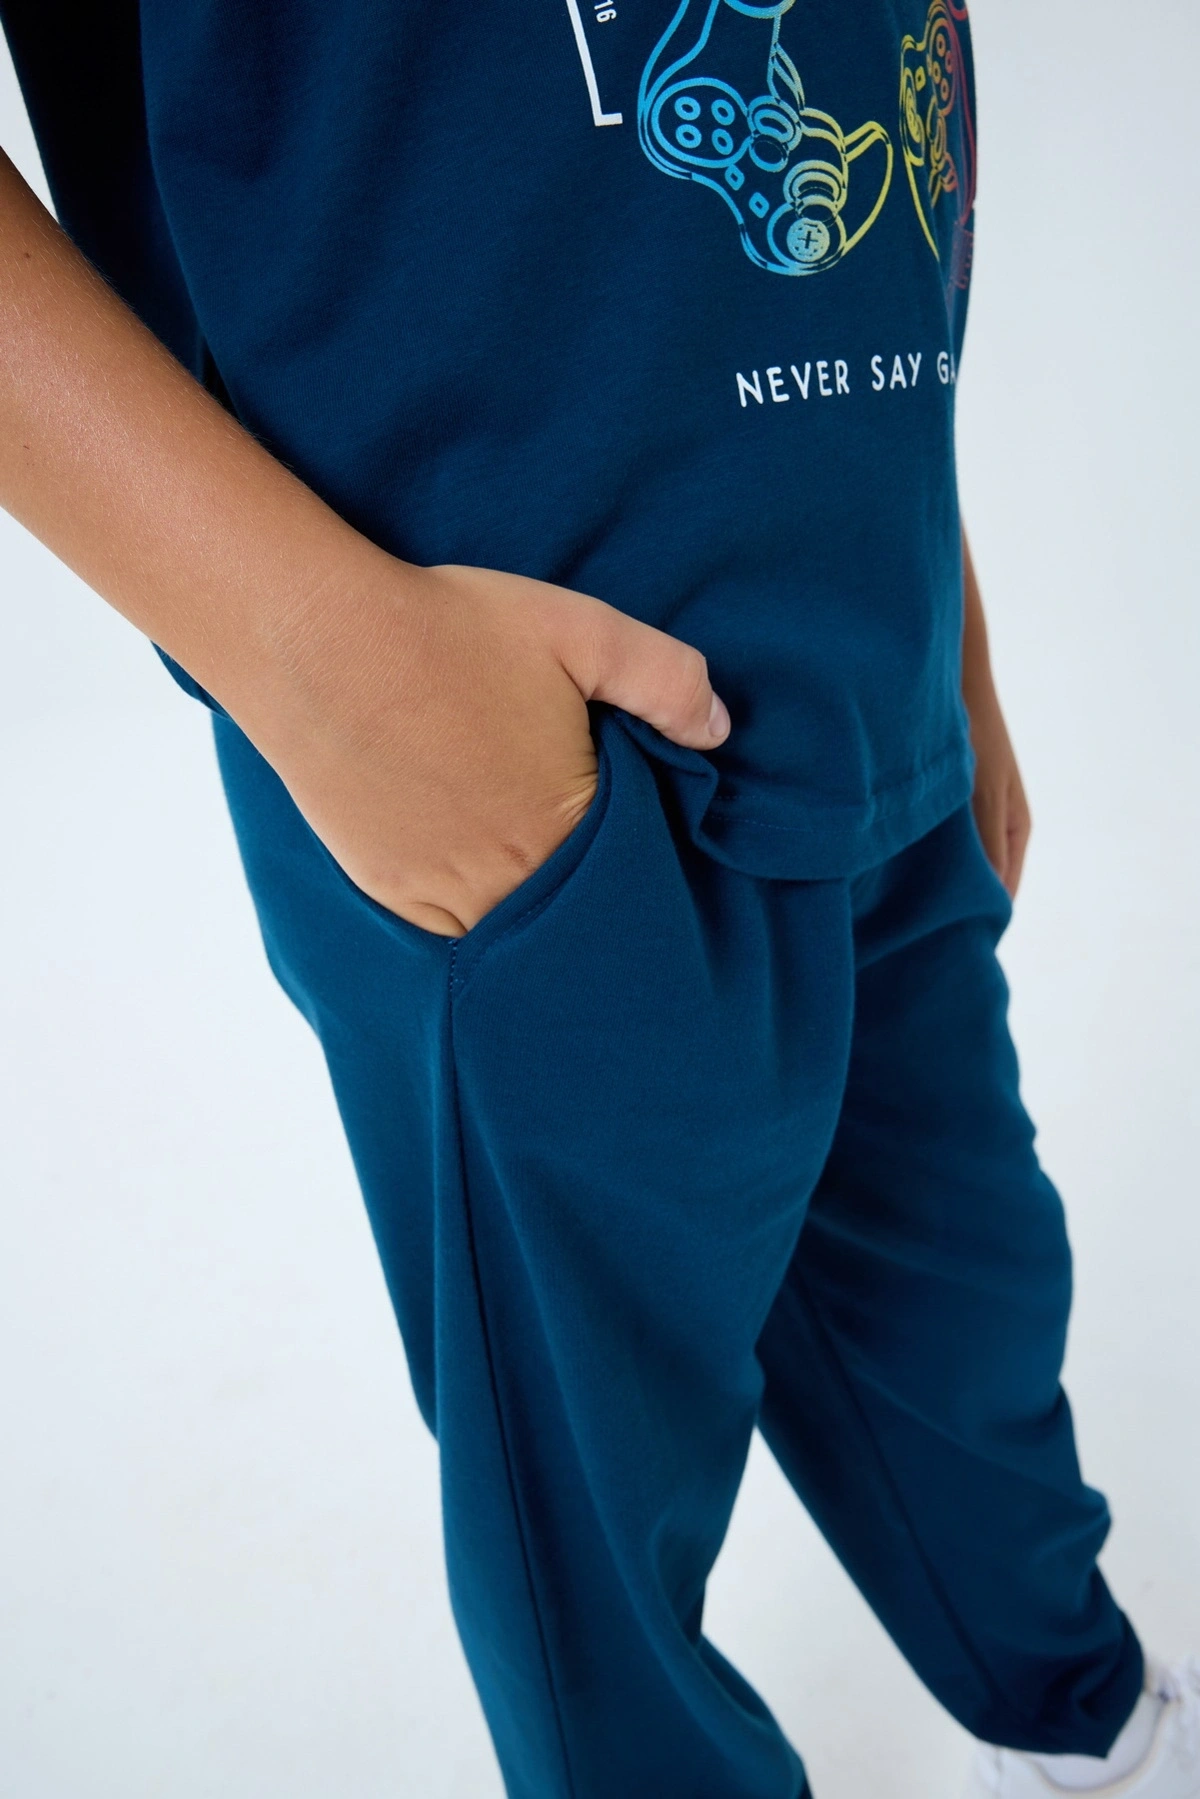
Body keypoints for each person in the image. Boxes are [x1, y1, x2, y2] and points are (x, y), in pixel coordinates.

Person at [0, 3, 1195, 1795]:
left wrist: (931, 571)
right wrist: (313, 643)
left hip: (871, 651)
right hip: (522, 756)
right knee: (595, 1550)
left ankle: (1091, 1723)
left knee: (972, 1299)